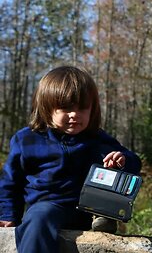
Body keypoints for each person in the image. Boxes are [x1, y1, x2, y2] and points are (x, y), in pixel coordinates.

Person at [0, 65, 142, 253]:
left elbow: (135, 164)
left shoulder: (96, 139)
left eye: (82, 108)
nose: (74, 114)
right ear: (47, 107)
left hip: (87, 208)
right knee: (38, 219)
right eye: (65, 108)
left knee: (108, 184)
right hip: (47, 206)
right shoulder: (27, 139)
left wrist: (122, 160)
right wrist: (8, 215)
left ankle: (104, 219)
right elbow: (11, 182)